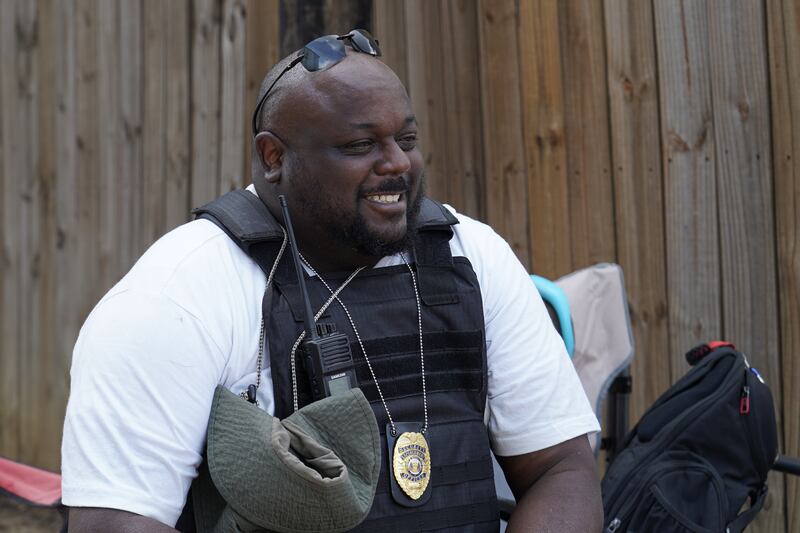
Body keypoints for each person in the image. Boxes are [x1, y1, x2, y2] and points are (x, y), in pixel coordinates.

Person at [62, 30, 602, 532]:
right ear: (274, 158)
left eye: (406, 138)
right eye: (359, 146)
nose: (397, 164)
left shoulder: (472, 256)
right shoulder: (177, 295)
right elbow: (115, 521)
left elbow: (563, 469)